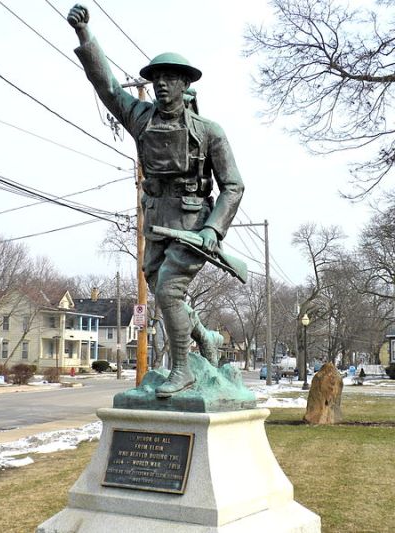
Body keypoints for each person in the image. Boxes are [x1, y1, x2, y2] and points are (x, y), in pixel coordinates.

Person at [67, 4, 244, 398]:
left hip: (192, 225)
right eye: (157, 78)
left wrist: (214, 228)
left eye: (169, 79)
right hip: (155, 220)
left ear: (184, 84)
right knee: (163, 291)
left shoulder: (210, 132)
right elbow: (109, 88)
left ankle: (181, 370)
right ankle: (206, 338)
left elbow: (233, 186)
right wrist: (85, 38)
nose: (161, 84)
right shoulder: (142, 119)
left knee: (167, 292)